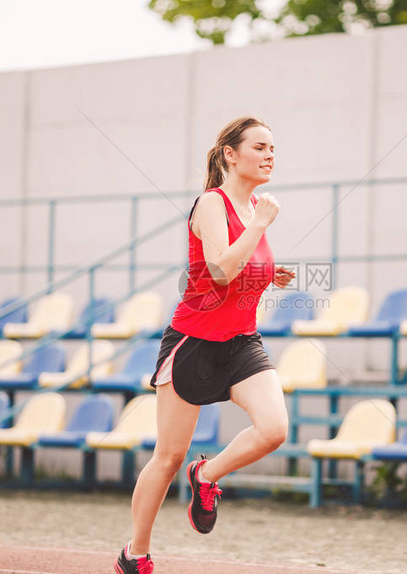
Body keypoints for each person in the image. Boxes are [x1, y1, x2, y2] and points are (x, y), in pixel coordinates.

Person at [115, 116, 296, 574]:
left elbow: (238, 270)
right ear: (231, 155)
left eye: (273, 147)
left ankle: (207, 475)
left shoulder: (254, 206)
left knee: (274, 429)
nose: (270, 154)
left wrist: (268, 274)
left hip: (240, 342)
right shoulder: (213, 205)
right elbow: (218, 270)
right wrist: (257, 224)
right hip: (194, 342)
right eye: (259, 147)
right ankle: (134, 554)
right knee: (168, 456)